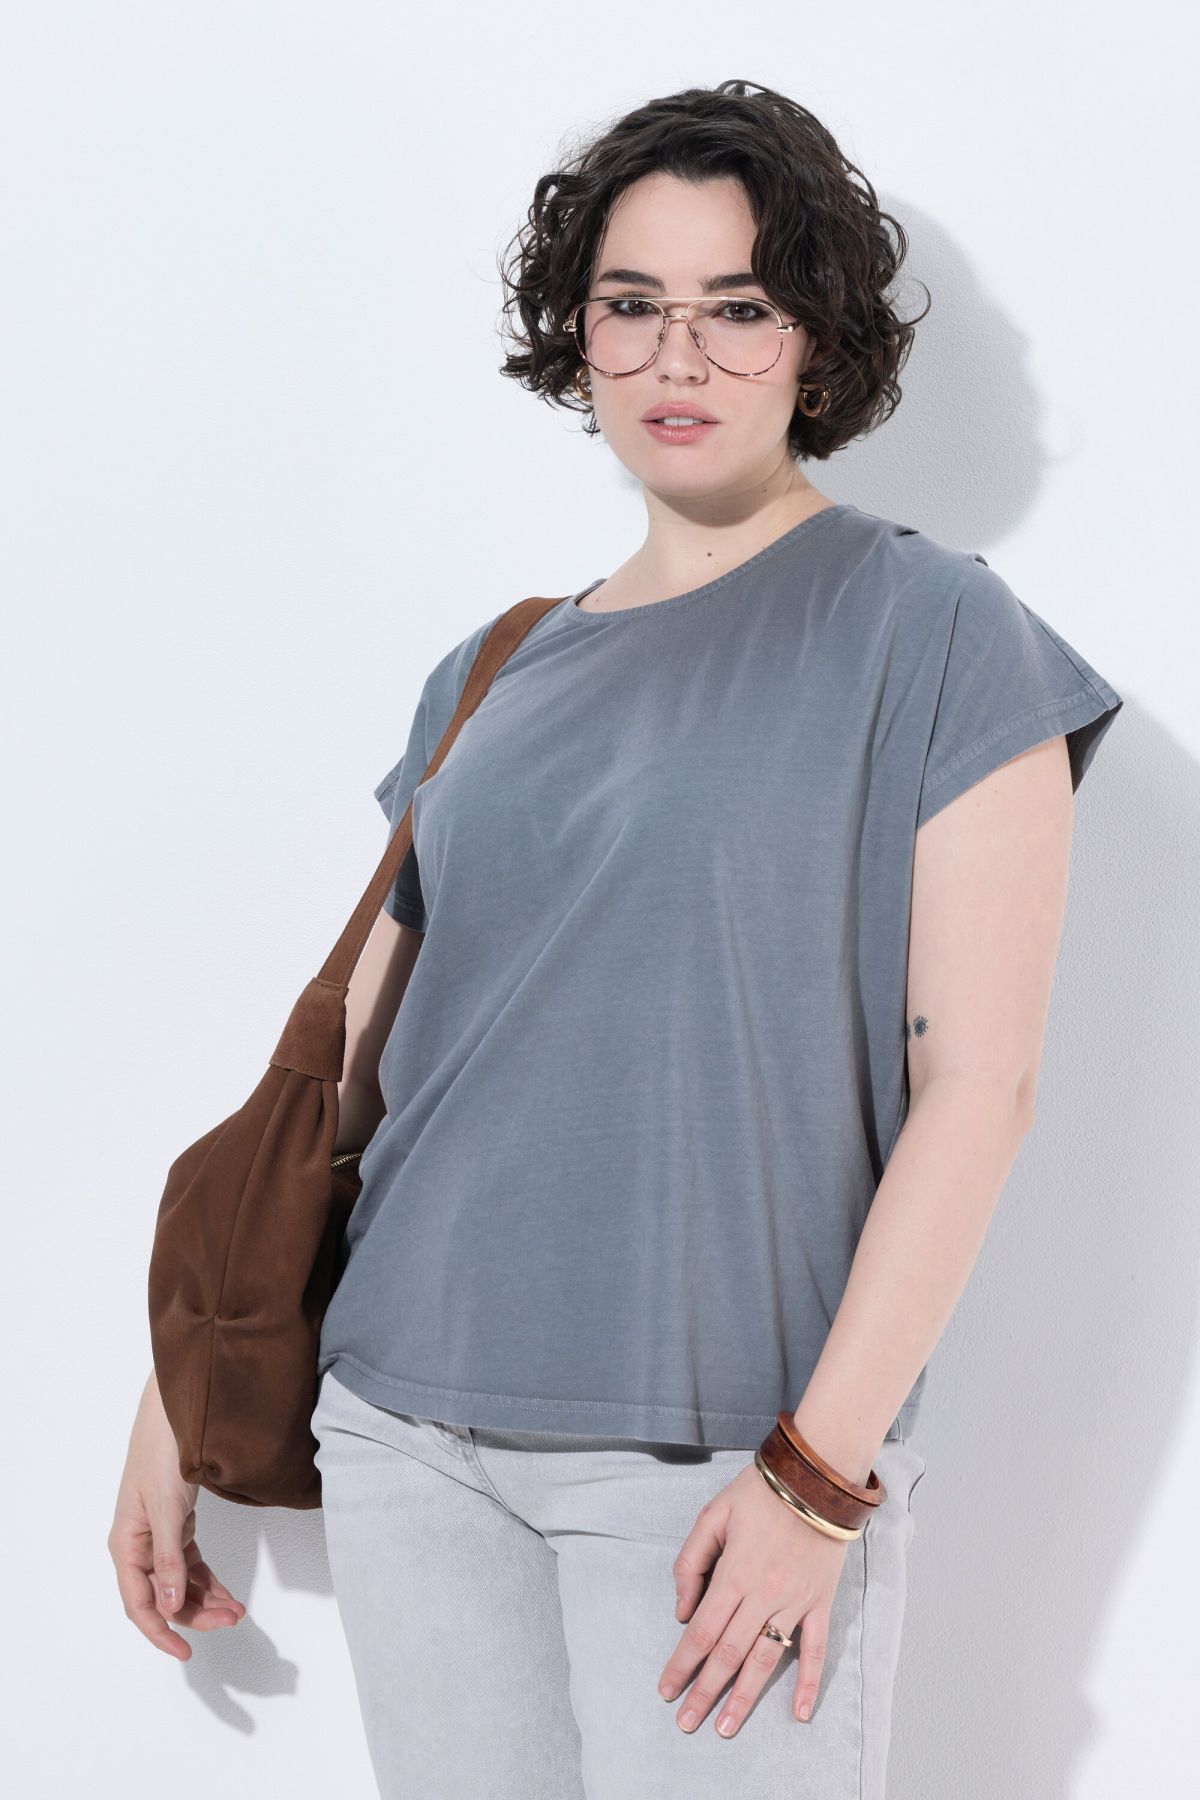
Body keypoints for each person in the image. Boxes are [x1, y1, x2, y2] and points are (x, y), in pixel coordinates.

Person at [109, 79, 1124, 1798]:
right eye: (633, 305)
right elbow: (350, 1071)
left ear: (817, 340)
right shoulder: (494, 670)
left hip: (725, 1463)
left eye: (739, 307)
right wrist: (173, 1391)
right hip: (410, 1439)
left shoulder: (937, 629)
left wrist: (818, 1476)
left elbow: (982, 1085)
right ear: (576, 334)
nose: (679, 356)